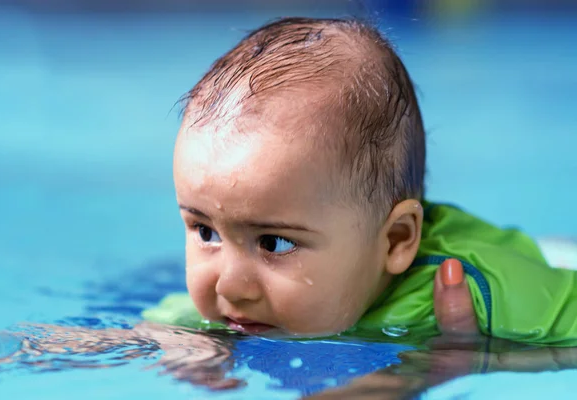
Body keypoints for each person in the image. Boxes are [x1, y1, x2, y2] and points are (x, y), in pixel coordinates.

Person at [143, 16, 577, 346]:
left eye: (274, 243)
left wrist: (478, 356)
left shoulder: (476, 292)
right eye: (205, 232)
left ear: (395, 241)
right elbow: (154, 328)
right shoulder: (236, 303)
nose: (228, 285)